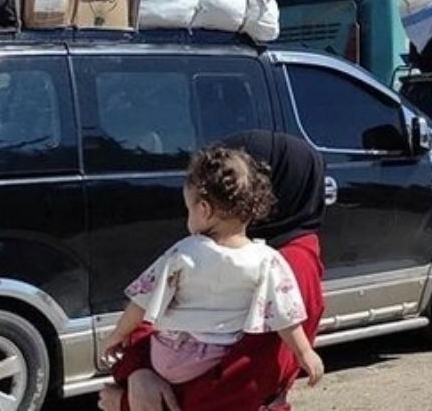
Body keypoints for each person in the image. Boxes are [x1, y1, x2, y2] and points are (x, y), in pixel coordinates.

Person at [100, 132, 327, 411]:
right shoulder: (219, 245)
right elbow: (154, 308)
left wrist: (125, 402)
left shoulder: (289, 264)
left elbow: (244, 383)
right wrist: (138, 371)